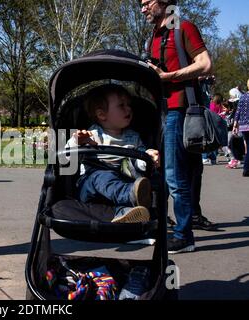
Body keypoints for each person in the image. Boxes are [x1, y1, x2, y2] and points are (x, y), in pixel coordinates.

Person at [141, 0, 215, 253]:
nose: (142, 9)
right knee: (159, 172)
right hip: (160, 111)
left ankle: (184, 236)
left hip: (178, 111)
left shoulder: (184, 28)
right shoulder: (155, 36)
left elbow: (205, 64)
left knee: (174, 176)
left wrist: (168, 77)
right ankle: (163, 227)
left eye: (146, 3)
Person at [66, 84, 160, 223]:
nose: (128, 108)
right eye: (122, 105)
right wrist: (76, 142)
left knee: (140, 166)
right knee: (102, 176)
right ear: (102, 114)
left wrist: (149, 156)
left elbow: (140, 160)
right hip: (91, 188)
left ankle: (126, 214)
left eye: (129, 105)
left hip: (123, 182)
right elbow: (66, 159)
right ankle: (131, 196)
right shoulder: (92, 135)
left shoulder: (133, 137)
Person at [233, 79, 249, 177]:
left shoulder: (243, 97)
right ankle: (246, 169)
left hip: (243, 126)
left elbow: (237, 112)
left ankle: (246, 168)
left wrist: (235, 125)